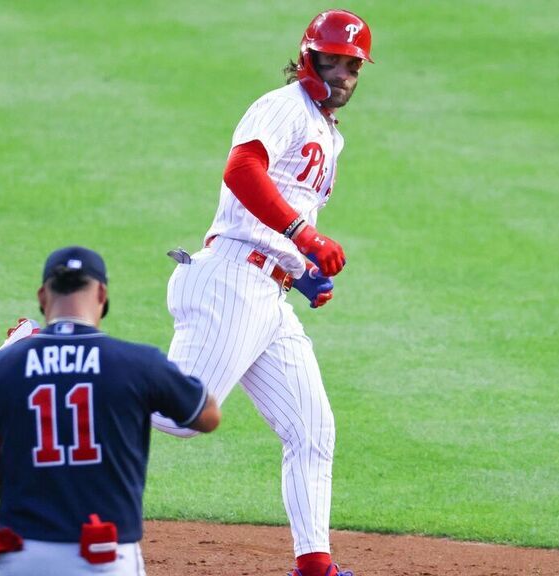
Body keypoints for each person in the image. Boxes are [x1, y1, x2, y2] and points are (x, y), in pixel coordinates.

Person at [152, 10, 373, 576]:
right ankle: (45, 358)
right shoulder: (282, 106)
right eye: (332, 60)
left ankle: (315, 565)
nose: (342, 73)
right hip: (229, 280)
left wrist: (298, 271)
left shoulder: (329, 132)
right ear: (308, 57)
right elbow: (241, 170)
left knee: (311, 429)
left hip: (265, 293)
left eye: (352, 64)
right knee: (181, 416)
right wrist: (303, 235)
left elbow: (272, 213)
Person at [0, 246, 221, 576]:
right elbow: (207, 417)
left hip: (21, 556)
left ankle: (35, 338)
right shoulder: (138, 364)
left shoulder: (2, 370)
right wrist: (139, 394)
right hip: (103, 559)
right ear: (102, 295)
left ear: (42, 295)